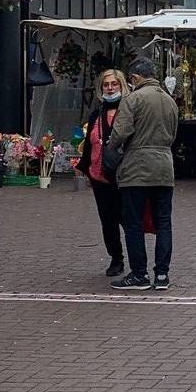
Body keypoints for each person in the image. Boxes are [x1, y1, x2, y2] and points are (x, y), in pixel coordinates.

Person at [107, 57, 180, 291]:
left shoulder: (133, 98)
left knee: (133, 223)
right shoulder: (170, 101)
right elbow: (173, 133)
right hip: (164, 166)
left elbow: (120, 132)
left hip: (136, 167)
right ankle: (162, 275)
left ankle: (139, 274)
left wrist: (112, 147)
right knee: (163, 222)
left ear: (136, 78)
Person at [75, 69, 131, 277]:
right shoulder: (96, 113)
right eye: (106, 85)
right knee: (107, 220)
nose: (110, 88)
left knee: (128, 218)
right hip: (99, 175)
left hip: (124, 174)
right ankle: (116, 258)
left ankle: (137, 259)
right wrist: (84, 168)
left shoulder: (128, 110)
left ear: (121, 85)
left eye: (114, 84)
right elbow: (89, 144)